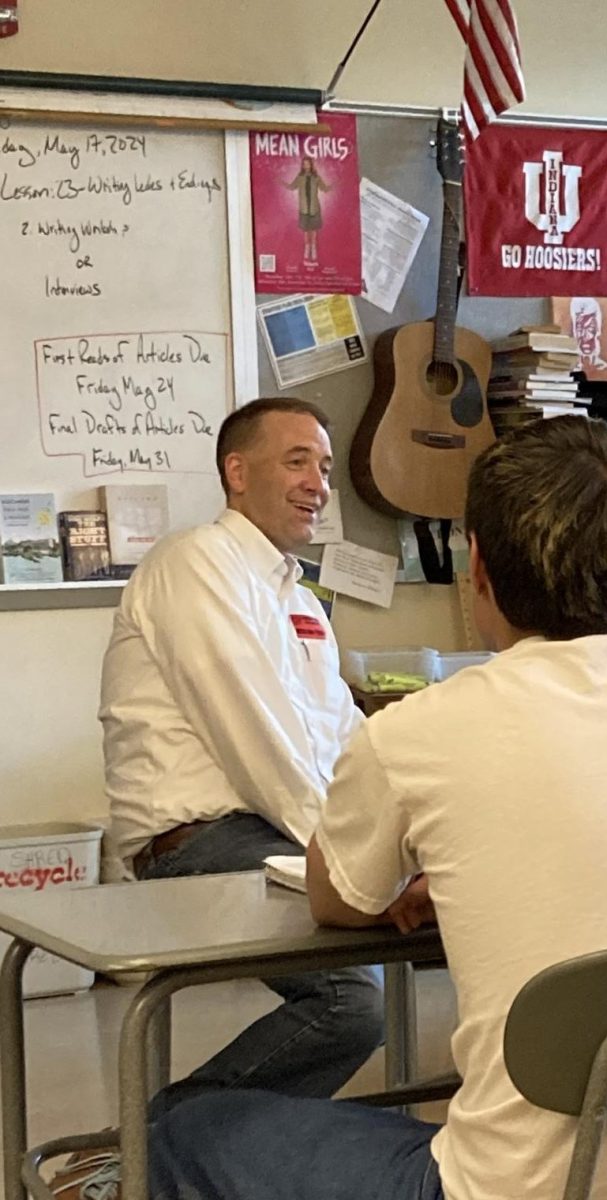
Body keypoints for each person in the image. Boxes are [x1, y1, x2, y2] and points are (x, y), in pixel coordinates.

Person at [148, 415, 607, 1200]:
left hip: (515, 1191)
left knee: (178, 1131)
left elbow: (338, 899)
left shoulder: (419, 731)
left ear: (480, 570)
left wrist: (427, 876)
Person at [97, 397, 384, 1127]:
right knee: (349, 1002)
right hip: (199, 839)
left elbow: (341, 733)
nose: (318, 483)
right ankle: (140, 1151)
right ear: (235, 471)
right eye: (296, 461)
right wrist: (348, 857)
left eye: (324, 467)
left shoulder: (302, 600)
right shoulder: (195, 560)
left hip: (279, 828)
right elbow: (256, 737)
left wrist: (398, 830)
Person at [286, 155, 331, 263]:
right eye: (304, 164)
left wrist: (336, 184)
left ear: (311, 164)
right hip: (304, 209)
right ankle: (307, 249)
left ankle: (313, 249)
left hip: (314, 208)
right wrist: (280, 181)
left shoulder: (316, 177)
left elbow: (324, 188)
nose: (306, 166)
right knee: (306, 231)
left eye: (308, 163)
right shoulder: (300, 177)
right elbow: (292, 187)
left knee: (314, 231)